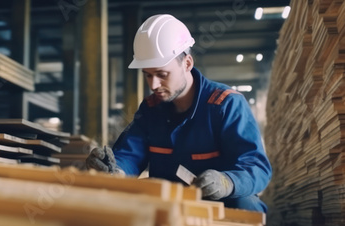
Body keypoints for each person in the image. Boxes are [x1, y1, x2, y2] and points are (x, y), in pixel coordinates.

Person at [86, 14, 271, 213]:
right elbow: (130, 154)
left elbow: (256, 166)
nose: (153, 85)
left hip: (218, 205)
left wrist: (227, 182)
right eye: (148, 75)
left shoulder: (226, 105)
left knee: (247, 205)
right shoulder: (150, 109)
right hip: (167, 203)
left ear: (187, 64)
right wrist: (115, 171)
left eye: (161, 74)